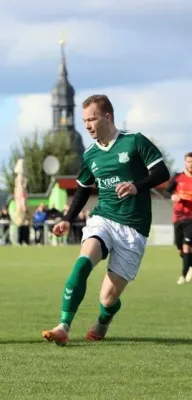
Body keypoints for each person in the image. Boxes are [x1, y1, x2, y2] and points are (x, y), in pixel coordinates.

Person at [41, 94, 170, 346]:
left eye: (92, 119)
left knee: (108, 298)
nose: (87, 125)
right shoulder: (91, 155)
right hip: (104, 218)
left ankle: (103, 321)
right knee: (82, 264)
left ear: (108, 117)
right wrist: (67, 219)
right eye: (84, 120)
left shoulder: (134, 142)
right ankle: (63, 326)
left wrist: (136, 186)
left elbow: (161, 172)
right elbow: (82, 189)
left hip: (134, 228)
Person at [166, 152, 192, 285]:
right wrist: (173, 196)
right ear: (185, 163)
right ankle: (190, 264)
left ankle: (183, 275)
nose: (191, 164)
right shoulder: (178, 177)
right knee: (180, 248)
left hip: (191, 219)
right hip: (177, 218)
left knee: (187, 246)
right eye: (188, 161)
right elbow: (168, 191)